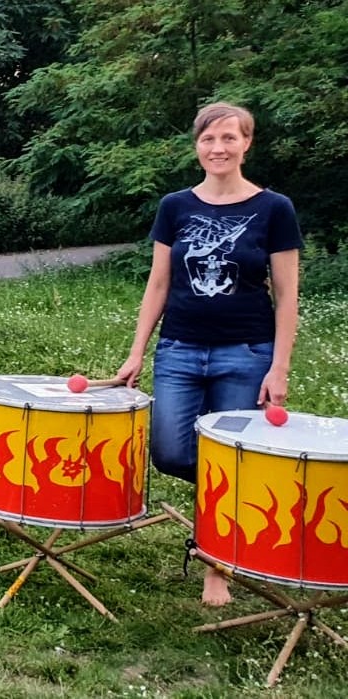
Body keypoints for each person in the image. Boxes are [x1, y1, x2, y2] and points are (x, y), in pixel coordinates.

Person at [114, 102, 301, 607]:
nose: (218, 148)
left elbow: (287, 297)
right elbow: (158, 284)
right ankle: (242, 495)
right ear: (197, 146)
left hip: (246, 352)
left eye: (229, 139)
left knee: (225, 459)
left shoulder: (274, 209)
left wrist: (278, 367)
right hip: (178, 349)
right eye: (209, 140)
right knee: (172, 453)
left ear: (247, 144)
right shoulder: (175, 206)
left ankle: (214, 562)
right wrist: (137, 352)